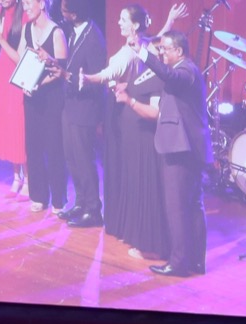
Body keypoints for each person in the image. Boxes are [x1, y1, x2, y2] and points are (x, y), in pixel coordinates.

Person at [82, 4, 184, 261]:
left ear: (136, 25)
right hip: (126, 117)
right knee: (131, 178)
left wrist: (87, 78)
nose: (118, 23)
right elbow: (154, 42)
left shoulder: (141, 50)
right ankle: (132, 229)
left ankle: (147, 239)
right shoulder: (139, 46)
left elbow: (113, 72)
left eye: (123, 20)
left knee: (142, 180)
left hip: (137, 118)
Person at [137, 29, 210, 276]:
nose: (162, 53)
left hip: (182, 149)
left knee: (178, 207)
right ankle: (196, 261)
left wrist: (143, 53)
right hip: (189, 148)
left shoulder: (186, 71)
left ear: (178, 51)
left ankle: (179, 264)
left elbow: (169, 76)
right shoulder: (187, 70)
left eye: (165, 49)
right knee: (192, 205)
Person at [54, 0, 108, 227]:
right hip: (70, 107)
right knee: (71, 158)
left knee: (84, 159)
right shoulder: (74, 31)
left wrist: (65, 76)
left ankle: (93, 210)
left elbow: (96, 81)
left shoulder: (93, 38)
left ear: (75, 13)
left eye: (65, 9)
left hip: (85, 110)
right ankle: (81, 202)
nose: (61, 12)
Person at [12, 0, 67, 214]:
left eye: (28, 3)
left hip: (51, 98)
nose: (25, 8)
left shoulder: (56, 33)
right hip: (32, 97)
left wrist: (38, 84)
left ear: (42, 4)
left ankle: (59, 200)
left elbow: (60, 71)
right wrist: (25, 82)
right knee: (33, 146)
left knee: (53, 146)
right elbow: (21, 60)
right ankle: (39, 196)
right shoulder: (27, 29)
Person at [0, 0, 28, 194]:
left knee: (20, 123)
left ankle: (28, 178)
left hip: (17, 71)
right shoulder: (2, 10)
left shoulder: (25, 14)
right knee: (8, 123)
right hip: (2, 70)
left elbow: (20, 57)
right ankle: (16, 176)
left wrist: (1, 40)